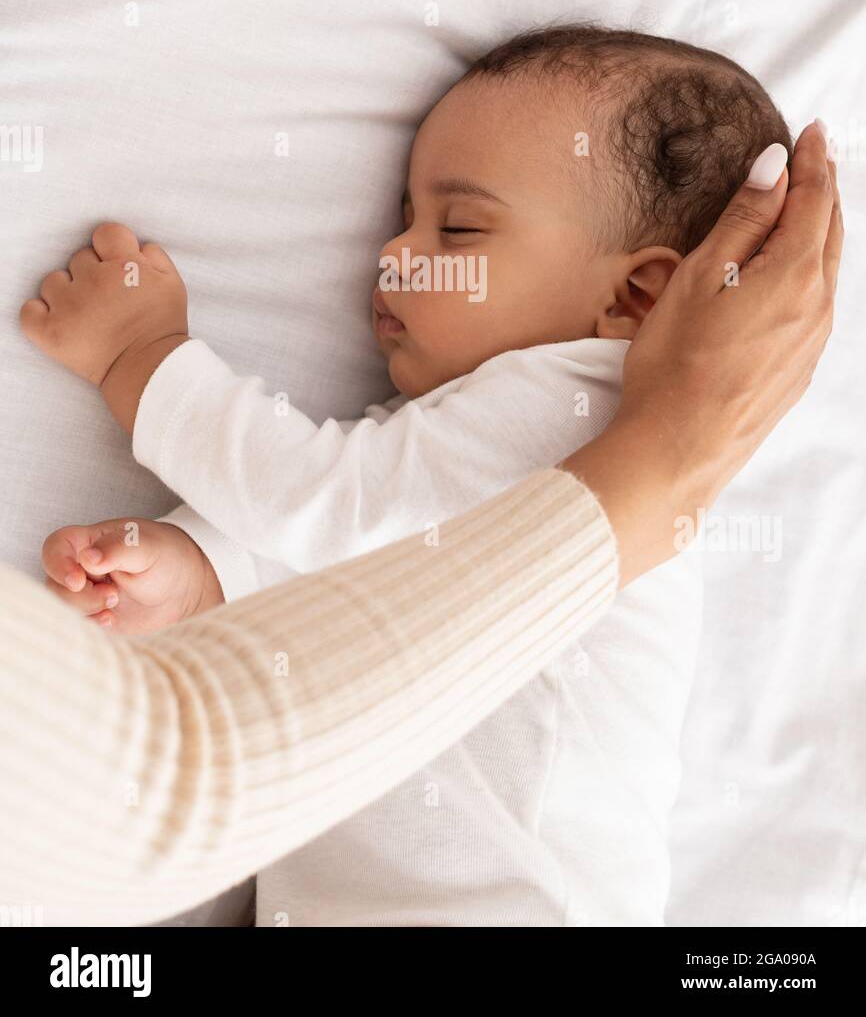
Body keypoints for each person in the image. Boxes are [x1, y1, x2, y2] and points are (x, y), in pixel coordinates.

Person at [2, 120, 841, 925]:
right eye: (406, 217)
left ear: (634, 295)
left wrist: (143, 359)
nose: (394, 254)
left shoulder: (573, 397)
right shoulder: (536, 418)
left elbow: (328, 501)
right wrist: (207, 573)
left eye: (460, 228)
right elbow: (385, 564)